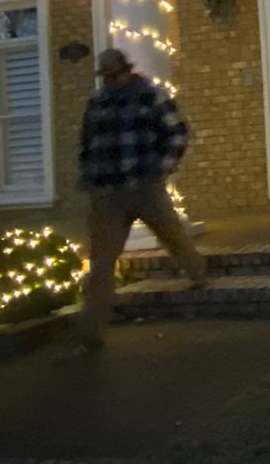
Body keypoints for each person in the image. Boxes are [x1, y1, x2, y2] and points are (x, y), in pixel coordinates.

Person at [75, 48, 196, 350]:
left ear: (126, 70)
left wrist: (165, 166)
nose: (111, 81)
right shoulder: (97, 103)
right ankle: (92, 328)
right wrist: (88, 174)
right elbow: (86, 143)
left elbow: (177, 132)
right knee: (101, 262)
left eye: (114, 74)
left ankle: (196, 272)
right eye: (107, 76)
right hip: (107, 193)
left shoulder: (150, 96)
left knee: (172, 233)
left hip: (145, 184)